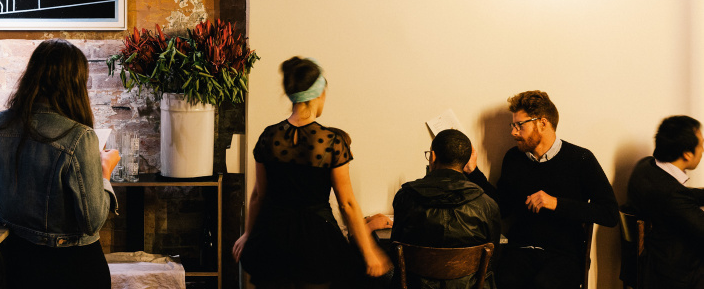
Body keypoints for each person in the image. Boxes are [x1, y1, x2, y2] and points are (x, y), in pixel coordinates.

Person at [232, 57, 391, 289]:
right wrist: (369, 252)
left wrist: (248, 233)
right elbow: (347, 203)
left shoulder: (269, 136)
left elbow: (258, 195)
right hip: (317, 239)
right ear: (319, 94)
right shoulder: (331, 142)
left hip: (273, 236)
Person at [0, 39, 121, 289]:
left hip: (15, 262)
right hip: (71, 269)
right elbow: (93, 222)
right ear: (75, 83)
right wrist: (104, 171)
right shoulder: (80, 137)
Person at [466, 91, 618, 289]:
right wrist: (473, 172)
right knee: (502, 281)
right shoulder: (513, 158)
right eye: (513, 125)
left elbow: (609, 214)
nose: (513, 132)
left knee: (544, 285)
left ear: (543, 123)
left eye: (520, 125)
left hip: (564, 254)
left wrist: (556, 203)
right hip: (520, 250)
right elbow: (501, 208)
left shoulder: (581, 159)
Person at [391, 129, 501, 289]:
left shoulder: (405, 197)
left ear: (433, 156)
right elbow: (492, 260)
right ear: (466, 162)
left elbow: (395, 251)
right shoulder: (487, 204)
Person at [626, 115, 704, 289]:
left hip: (652, 261)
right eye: (701, 145)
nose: (703, 150)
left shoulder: (647, 167)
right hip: (676, 275)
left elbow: (683, 196)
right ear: (687, 154)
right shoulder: (671, 195)